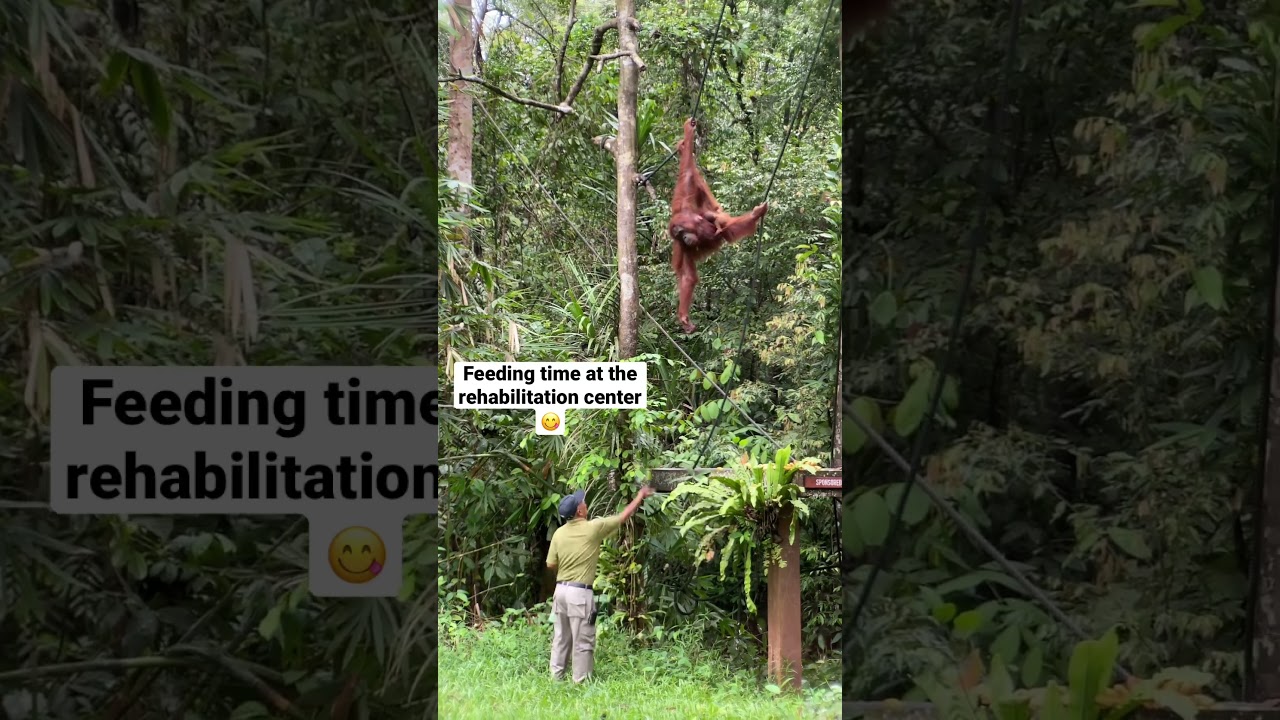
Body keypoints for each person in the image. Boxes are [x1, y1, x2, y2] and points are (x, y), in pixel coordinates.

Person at [545, 484, 654, 683]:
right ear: (580, 511)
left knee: (561, 637)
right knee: (583, 639)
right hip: (579, 593)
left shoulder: (559, 533)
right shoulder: (592, 528)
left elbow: (551, 563)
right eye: (583, 502)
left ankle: (556, 679)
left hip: (560, 591)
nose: (586, 503)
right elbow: (623, 517)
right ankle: (581, 682)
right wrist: (640, 496)